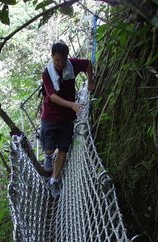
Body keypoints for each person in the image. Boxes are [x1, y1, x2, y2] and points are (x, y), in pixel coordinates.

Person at [40, 42, 95, 198]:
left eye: (63, 59)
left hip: (67, 118)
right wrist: (72, 104)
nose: (60, 63)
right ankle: (49, 156)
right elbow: (53, 97)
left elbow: (88, 64)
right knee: (50, 148)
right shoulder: (47, 73)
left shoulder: (72, 64)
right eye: (57, 60)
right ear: (52, 57)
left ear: (67, 57)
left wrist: (90, 80)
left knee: (63, 150)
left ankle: (53, 181)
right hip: (50, 116)